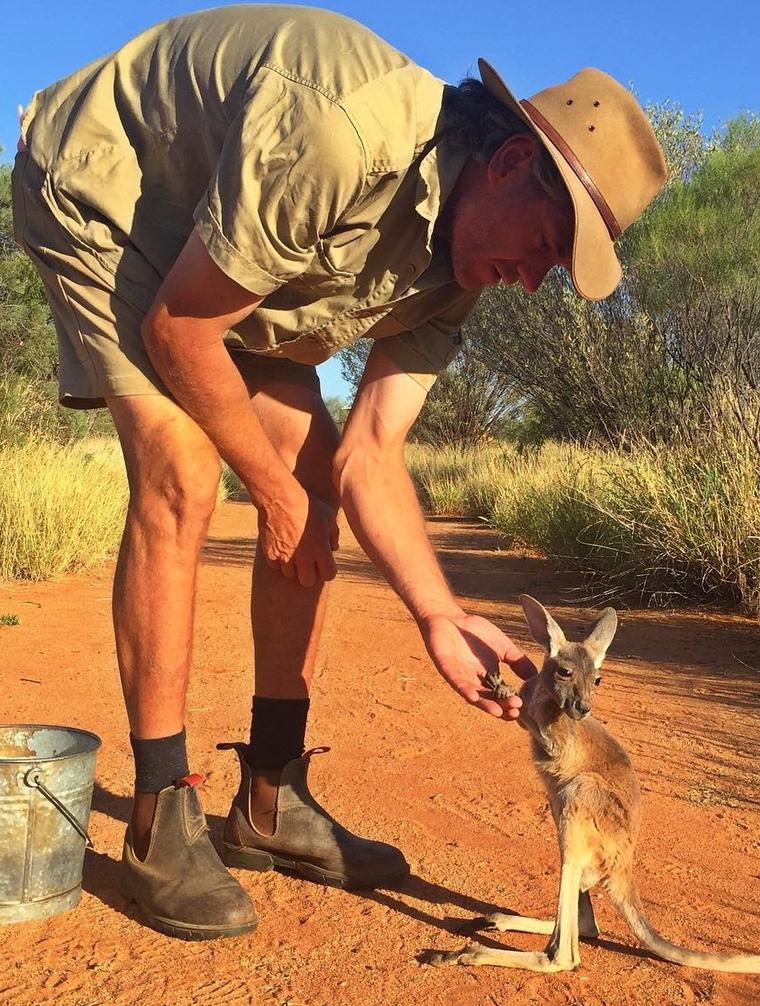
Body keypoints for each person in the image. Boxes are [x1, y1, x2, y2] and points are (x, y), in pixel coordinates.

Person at [12, 5, 667, 940]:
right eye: (546, 243)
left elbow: (371, 457)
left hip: (235, 253)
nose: (533, 277)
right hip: (113, 195)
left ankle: (271, 800)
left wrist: (439, 613)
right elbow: (180, 330)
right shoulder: (342, 134)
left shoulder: (459, 274)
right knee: (186, 470)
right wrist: (274, 497)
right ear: (513, 163)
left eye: (556, 268)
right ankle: (160, 815)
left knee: (315, 484)